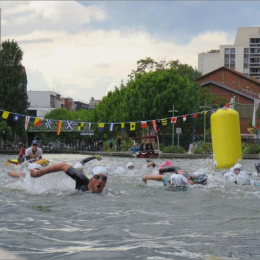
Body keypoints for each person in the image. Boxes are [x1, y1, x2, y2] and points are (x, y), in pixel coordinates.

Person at [29, 155, 107, 193]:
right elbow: (63, 166)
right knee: (81, 171)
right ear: (92, 178)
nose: (100, 181)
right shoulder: (81, 178)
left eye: (103, 179)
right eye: (97, 177)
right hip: (79, 172)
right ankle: (36, 168)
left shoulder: (104, 191)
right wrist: (38, 173)